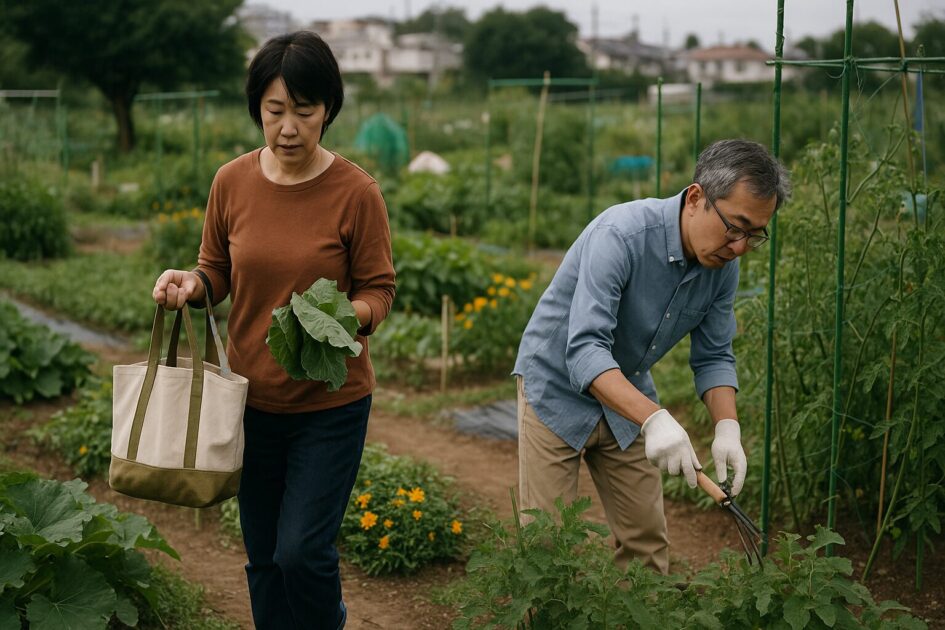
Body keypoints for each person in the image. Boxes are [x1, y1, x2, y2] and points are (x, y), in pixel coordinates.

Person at [151, 31, 395, 629]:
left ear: (328, 111)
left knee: (302, 553)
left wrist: (341, 318)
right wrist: (190, 285)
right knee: (263, 559)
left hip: (330, 406)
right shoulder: (230, 182)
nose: (288, 127)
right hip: (251, 402)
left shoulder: (356, 193)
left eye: (304, 111)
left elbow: (379, 291)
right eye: (274, 110)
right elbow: (216, 271)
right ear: (258, 109)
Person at [512, 139, 790, 574]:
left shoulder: (721, 268)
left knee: (646, 545)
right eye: (735, 227)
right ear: (697, 198)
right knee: (548, 548)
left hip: (627, 389)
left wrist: (727, 427)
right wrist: (655, 419)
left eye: (754, 235)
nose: (739, 246)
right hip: (555, 388)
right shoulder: (621, 236)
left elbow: (715, 354)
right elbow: (584, 351)